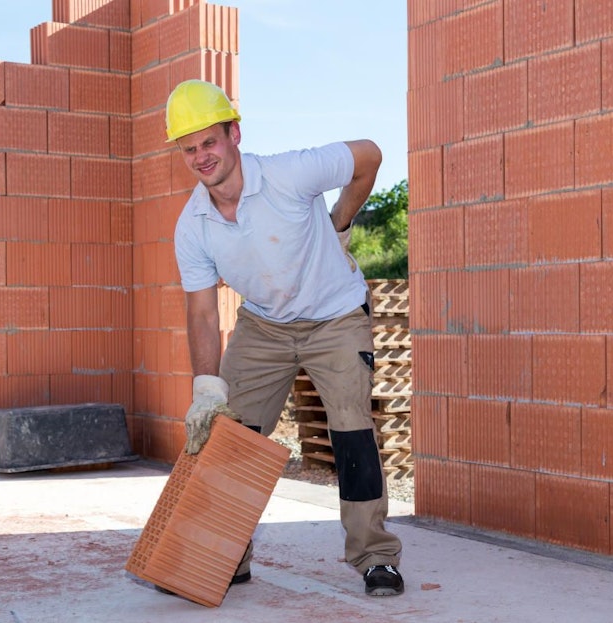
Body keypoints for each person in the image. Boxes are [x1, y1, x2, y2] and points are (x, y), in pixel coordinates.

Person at [163, 78, 405, 597]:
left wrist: (340, 220)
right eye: (189, 149)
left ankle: (375, 556)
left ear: (234, 134)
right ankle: (227, 555)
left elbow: (369, 155)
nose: (201, 157)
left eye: (209, 141)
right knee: (228, 435)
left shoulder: (289, 174)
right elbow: (202, 313)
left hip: (334, 316)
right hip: (265, 324)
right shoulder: (193, 226)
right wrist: (206, 387)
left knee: (352, 432)